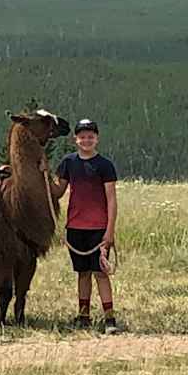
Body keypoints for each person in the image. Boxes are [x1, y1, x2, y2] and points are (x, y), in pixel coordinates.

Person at [53, 118, 119, 333]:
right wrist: (40, 174)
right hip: (75, 228)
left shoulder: (104, 165)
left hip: (98, 229)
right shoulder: (68, 163)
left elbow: (111, 199)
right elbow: (57, 192)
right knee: (82, 273)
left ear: (97, 139)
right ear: (76, 139)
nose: (86, 140)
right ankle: (84, 315)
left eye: (90, 136)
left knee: (100, 272)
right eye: (82, 136)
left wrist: (109, 231)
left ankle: (109, 318)